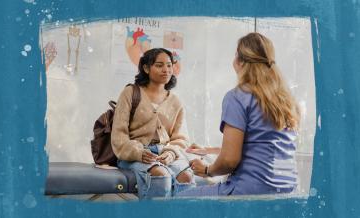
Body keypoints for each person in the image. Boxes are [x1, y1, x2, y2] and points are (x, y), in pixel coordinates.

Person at [177, 32, 301, 196]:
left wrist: (207, 170)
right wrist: (209, 150)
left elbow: (229, 161)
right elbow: (260, 144)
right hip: (286, 189)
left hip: (249, 191)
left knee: (180, 197)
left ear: (240, 61)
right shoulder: (285, 100)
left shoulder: (237, 97)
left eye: (235, 55)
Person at [111, 48, 194, 199]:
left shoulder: (176, 101)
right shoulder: (130, 93)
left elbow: (181, 138)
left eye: (169, 65)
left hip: (166, 152)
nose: (166, 70)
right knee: (160, 176)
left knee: (186, 177)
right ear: (146, 68)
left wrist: (171, 152)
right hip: (135, 154)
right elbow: (119, 135)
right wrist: (138, 152)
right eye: (159, 65)